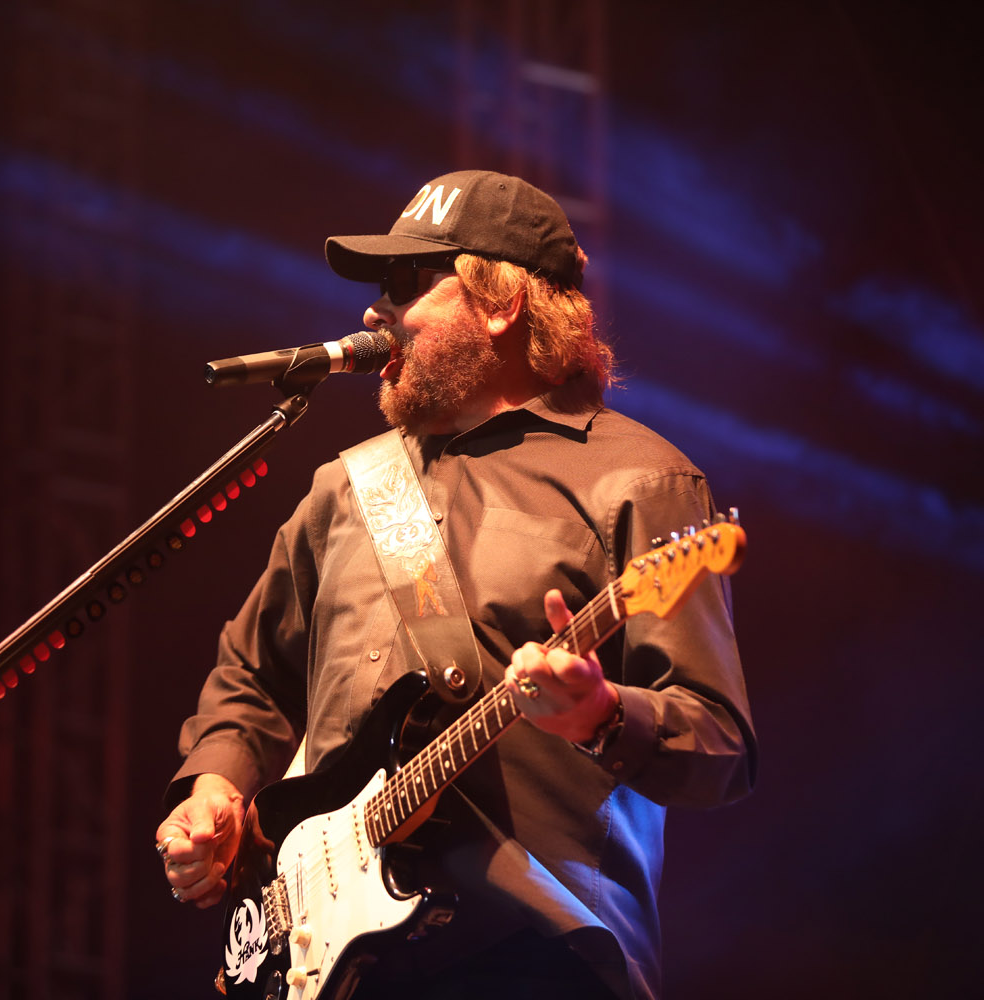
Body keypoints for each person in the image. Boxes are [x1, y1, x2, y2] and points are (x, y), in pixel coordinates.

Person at [154, 170, 755, 999]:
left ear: (501, 305)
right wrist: (216, 786)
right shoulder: (347, 488)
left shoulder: (639, 482)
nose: (376, 312)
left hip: (534, 960)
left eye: (406, 282)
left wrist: (602, 714)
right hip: (327, 960)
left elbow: (721, 746)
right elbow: (252, 676)